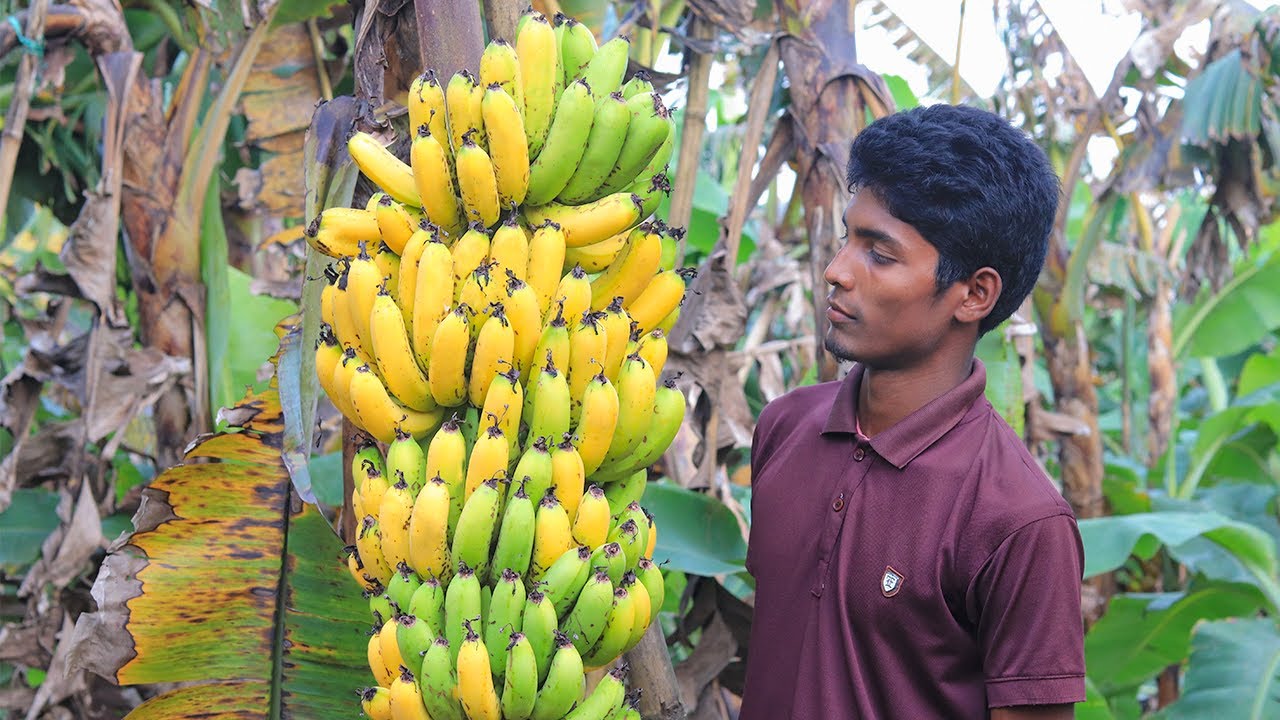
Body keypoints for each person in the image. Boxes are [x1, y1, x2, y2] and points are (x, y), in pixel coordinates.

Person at [740, 104, 1085, 719]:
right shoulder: (785, 427)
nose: (836, 271)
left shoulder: (1019, 521)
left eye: (880, 253)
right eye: (849, 236)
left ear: (974, 294)